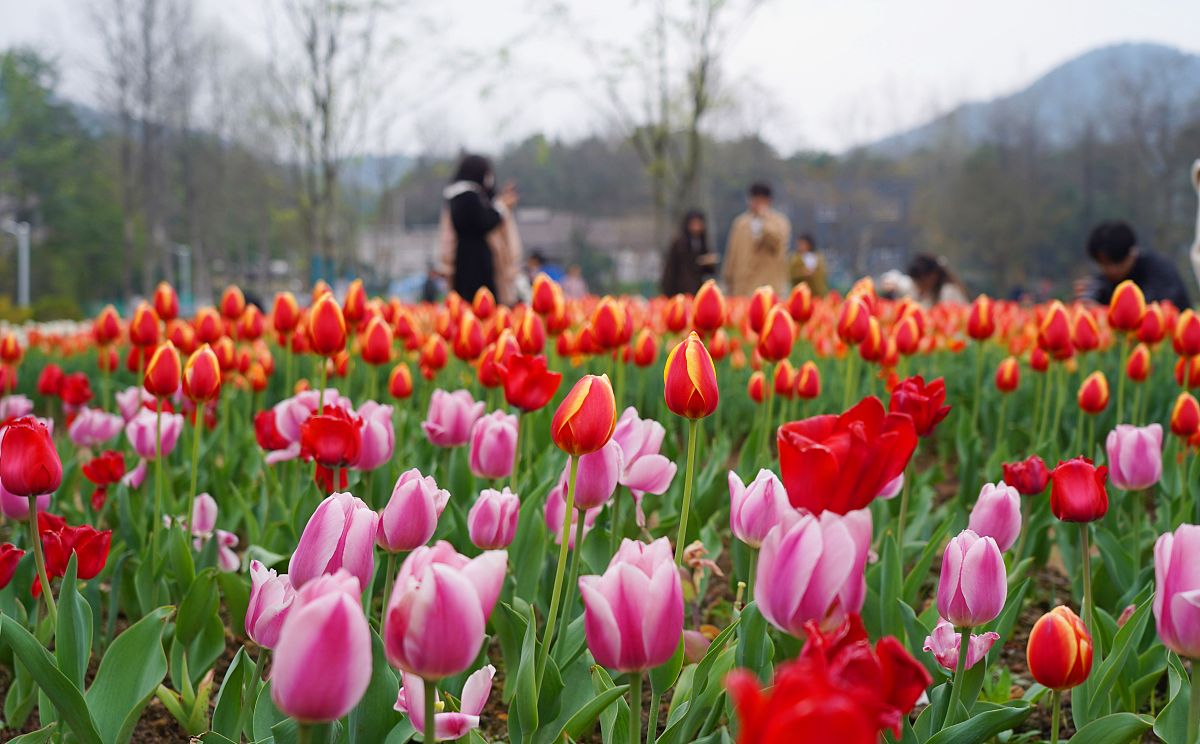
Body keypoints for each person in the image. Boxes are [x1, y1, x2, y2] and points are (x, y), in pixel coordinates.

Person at [437, 154, 522, 304]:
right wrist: (501, 208)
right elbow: (484, 222)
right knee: (480, 300)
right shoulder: (468, 196)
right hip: (475, 259)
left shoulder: (459, 196)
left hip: (465, 256)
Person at [1077, 220, 1190, 309]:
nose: (1111, 270)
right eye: (1104, 265)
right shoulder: (1102, 282)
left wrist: (1103, 311)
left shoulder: (1159, 271)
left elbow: (1163, 308)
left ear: (1132, 253)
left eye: (1117, 264)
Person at [720, 182, 791, 296]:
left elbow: (777, 245)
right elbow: (732, 253)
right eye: (754, 200)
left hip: (768, 286)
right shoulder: (740, 223)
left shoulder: (779, 222)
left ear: (769, 201)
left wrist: (765, 220)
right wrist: (728, 278)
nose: (757, 204)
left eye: (761, 201)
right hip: (743, 285)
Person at [661, 209, 718, 296]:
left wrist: (709, 263)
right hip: (680, 289)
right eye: (694, 224)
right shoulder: (678, 244)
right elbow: (670, 269)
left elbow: (708, 272)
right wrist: (668, 291)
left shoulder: (704, 243)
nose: (696, 227)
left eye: (699, 224)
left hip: (698, 288)